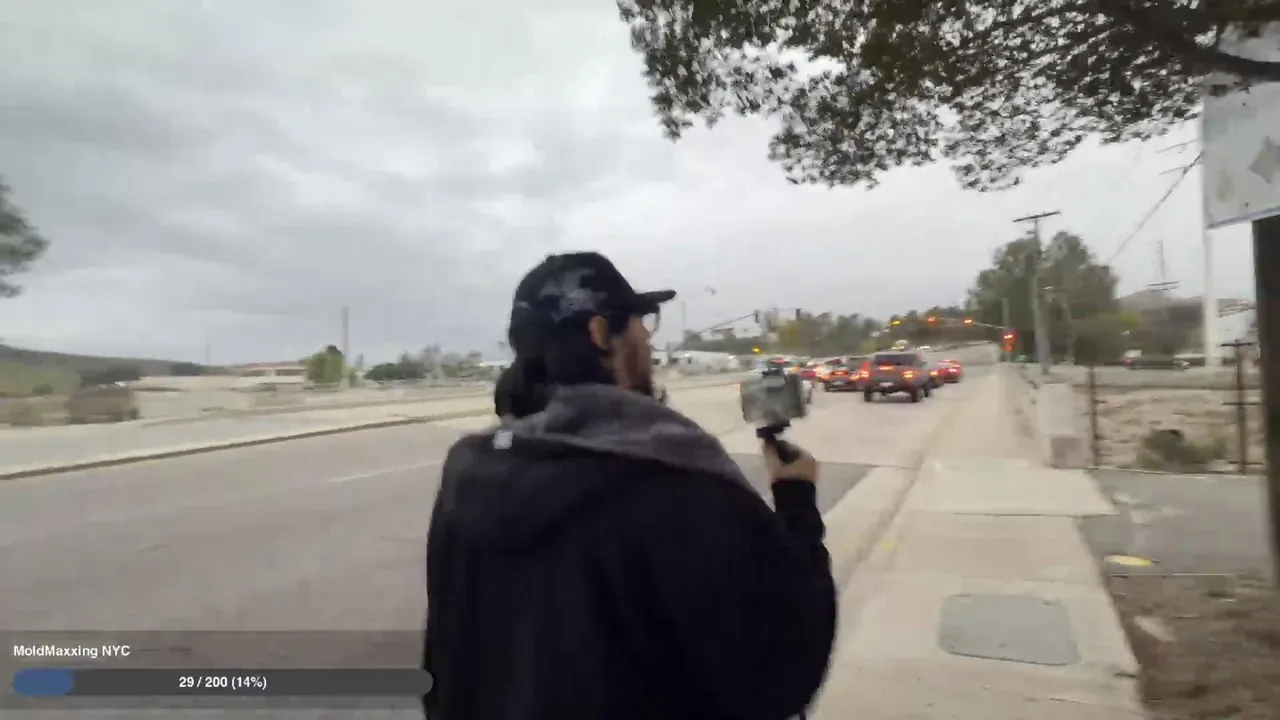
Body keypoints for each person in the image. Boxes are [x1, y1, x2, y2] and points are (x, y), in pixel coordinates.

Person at [423, 251, 836, 720]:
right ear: (600, 333)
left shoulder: (467, 474)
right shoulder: (678, 484)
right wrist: (797, 503)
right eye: (640, 322)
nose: (647, 339)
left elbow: (444, 661)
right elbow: (781, 665)